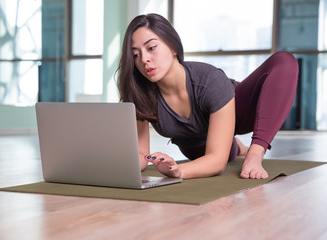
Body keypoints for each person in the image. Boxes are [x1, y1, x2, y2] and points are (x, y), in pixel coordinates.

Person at [117, 13, 299, 179]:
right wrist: (118, 163)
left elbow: (216, 163)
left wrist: (180, 171)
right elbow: (141, 154)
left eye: (152, 47)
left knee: (284, 61)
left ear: (173, 47)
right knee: (226, 153)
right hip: (196, 144)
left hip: (238, 111)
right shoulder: (140, 93)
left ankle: (254, 152)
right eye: (135, 54)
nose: (144, 59)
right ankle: (235, 146)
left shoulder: (210, 80)